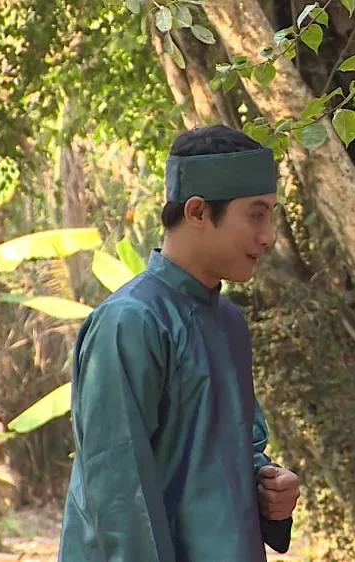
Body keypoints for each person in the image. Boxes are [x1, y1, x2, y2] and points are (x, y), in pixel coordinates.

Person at [59, 125, 300, 561]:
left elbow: (223, 451)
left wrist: (267, 485)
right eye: (256, 215)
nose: (268, 236)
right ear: (197, 211)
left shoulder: (228, 322)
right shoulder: (131, 322)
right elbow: (118, 493)